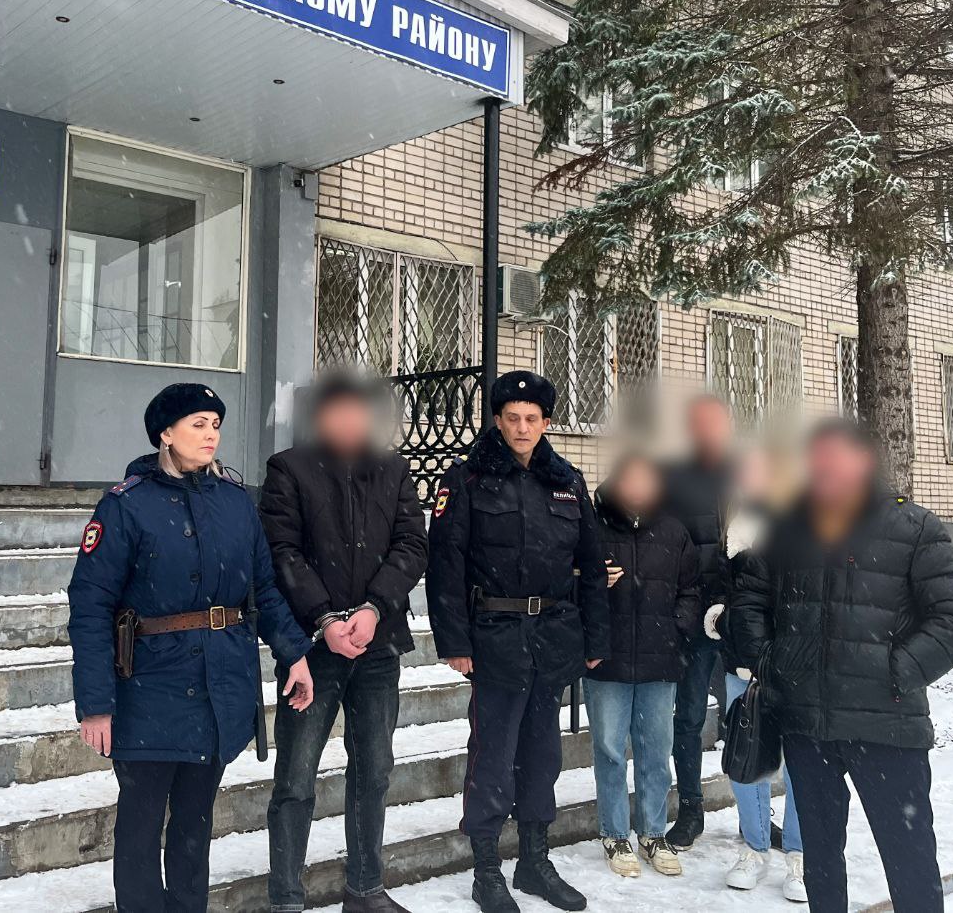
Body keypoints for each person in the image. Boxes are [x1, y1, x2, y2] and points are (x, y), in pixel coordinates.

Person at [68, 382, 315, 913]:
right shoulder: (126, 506)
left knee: (194, 828)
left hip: (218, 689)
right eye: (197, 424)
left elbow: (264, 590)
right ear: (165, 433)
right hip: (148, 688)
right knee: (140, 830)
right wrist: (95, 704)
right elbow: (89, 607)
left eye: (215, 424)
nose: (210, 435)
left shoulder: (235, 503)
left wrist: (294, 653)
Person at [730, 419, 953, 913]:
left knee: (908, 858)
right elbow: (750, 600)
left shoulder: (912, 526)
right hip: (808, 725)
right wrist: (770, 661)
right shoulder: (787, 528)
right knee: (820, 861)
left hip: (886, 726)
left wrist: (898, 671)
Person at [427, 370, 609, 913]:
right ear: (498, 421)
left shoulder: (568, 481)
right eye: (513, 418)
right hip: (495, 637)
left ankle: (534, 861)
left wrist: (594, 637)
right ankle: (486, 869)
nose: (523, 428)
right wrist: (454, 641)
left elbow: (592, 566)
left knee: (542, 757)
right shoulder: (467, 479)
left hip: (552, 638)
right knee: (492, 758)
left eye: (532, 419)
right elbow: (446, 565)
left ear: (546, 422)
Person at [260, 373, 429, 913]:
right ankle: (286, 898)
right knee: (296, 777)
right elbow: (282, 552)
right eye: (338, 411)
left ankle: (364, 887)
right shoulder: (289, 469)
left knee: (374, 771)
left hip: (378, 648)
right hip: (313, 651)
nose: (350, 421)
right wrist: (325, 619)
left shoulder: (394, 470)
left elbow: (412, 545)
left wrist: (375, 608)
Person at [586, 453, 700, 880]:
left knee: (656, 752)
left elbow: (691, 590)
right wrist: (593, 581)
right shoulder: (593, 528)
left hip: (659, 659)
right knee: (610, 751)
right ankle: (615, 834)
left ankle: (653, 832)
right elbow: (571, 581)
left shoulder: (673, 531)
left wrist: (676, 629)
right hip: (607, 659)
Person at [706, 445, 806, 901]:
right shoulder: (732, 525)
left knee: (802, 763)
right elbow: (715, 586)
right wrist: (718, 617)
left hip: (793, 667)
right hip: (741, 667)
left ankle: (801, 855)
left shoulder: (802, 527)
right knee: (746, 760)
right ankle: (754, 847)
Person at [663, 393, 735, 850]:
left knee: (747, 719)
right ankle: (691, 808)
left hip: (743, 620)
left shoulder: (748, 474)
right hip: (695, 620)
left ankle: (754, 812)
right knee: (688, 718)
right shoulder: (673, 479)